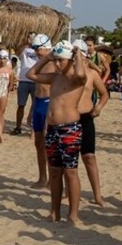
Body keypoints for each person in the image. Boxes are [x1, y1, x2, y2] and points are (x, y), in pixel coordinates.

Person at [28, 41, 89, 224]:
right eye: (55, 61)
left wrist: (77, 55)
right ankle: (54, 211)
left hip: (70, 128)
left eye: (60, 61)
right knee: (54, 172)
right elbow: (30, 74)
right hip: (53, 129)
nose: (56, 64)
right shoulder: (55, 77)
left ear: (70, 60)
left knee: (70, 172)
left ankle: (73, 214)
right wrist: (48, 56)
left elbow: (79, 73)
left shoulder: (76, 79)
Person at [76, 45, 110, 206]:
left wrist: (99, 107)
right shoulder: (67, 75)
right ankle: (69, 192)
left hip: (86, 116)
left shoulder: (92, 74)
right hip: (70, 118)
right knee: (69, 159)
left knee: (89, 156)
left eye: (82, 58)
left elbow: (104, 93)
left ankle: (97, 195)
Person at [28, 38, 53, 188]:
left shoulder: (54, 65)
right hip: (38, 103)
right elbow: (38, 89)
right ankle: (42, 177)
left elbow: (55, 91)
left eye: (38, 48)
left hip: (49, 104)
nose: (36, 51)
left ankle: (52, 178)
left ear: (46, 48)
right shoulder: (38, 64)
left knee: (49, 144)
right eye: (35, 48)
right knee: (38, 144)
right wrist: (31, 110)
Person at [13, 33, 46, 136]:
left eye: (33, 37)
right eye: (29, 36)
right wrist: (26, 43)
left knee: (35, 105)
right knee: (21, 105)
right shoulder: (25, 49)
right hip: (23, 80)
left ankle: (33, 129)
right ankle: (18, 127)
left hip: (35, 80)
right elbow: (17, 53)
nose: (31, 38)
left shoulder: (40, 51)